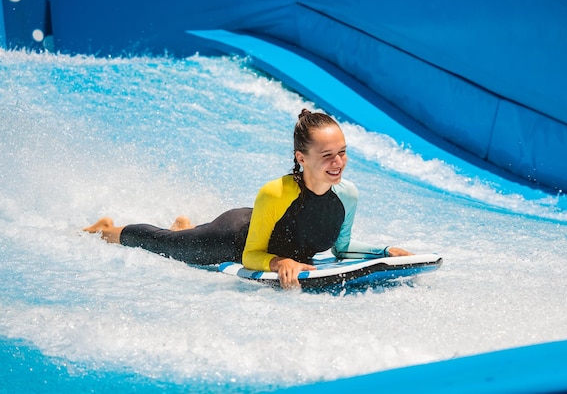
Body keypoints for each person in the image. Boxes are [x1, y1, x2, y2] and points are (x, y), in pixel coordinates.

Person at [84, 109, 411, 288]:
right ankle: (105, 229)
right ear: (301, 157)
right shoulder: (275, 193)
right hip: (232, 238)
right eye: (327, 155)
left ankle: (185, 224)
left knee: (181, 233)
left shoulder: (347, 195)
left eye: (342, 153)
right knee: (166, 244)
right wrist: (279, 262)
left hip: (253, 238)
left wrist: (385, 251)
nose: (338, 163)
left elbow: (343, 248)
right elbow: (252, 253)